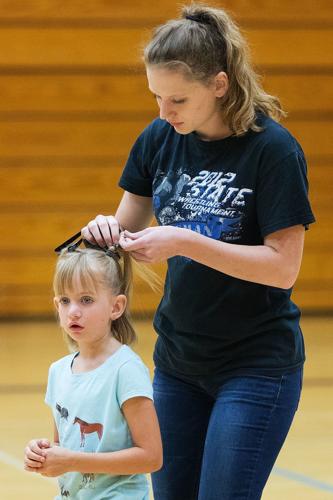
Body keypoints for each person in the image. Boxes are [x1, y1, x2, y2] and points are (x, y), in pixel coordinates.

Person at [81, 3, 315, 499]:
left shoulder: (272, 150)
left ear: (220, 85)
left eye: (178, 100)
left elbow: (283, 268)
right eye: (157, 97)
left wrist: (186, 241)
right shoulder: (159, 138)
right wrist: (103, 231)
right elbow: (124, 231)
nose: (164, 113)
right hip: (178, 363)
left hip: (255, 366)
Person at [24, 244, 163, 499]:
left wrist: (73, 461)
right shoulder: (58, 371)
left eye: (86, 300)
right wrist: (42, 453)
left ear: (116, 307)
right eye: (65, 300)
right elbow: (64, 447)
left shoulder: (126, 370)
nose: (73, 311)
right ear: (56, 305)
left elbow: (151, 457)